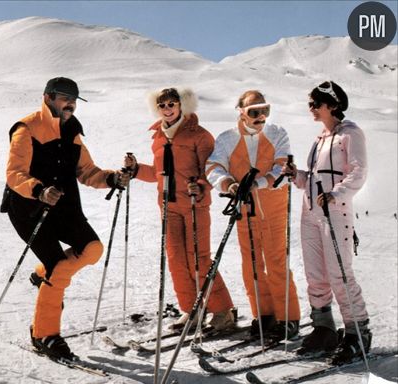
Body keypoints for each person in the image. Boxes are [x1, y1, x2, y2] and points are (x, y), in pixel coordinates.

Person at [3, 77, 130, 360]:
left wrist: (111, 178)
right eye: (64, 96)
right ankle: (44, 334)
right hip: (29, 208)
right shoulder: (27, 129)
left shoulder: (72, 131)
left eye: (74, 98)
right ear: (48, 97)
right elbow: (14, 174)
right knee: (59, 266)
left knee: (92, 249)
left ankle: (43, 276)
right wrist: (39, 190)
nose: (70, 102)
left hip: (63, 207)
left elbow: (86, 171)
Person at [124, 87, 235, 332]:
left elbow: (212, 169)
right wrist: (134, 170)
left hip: (195, 205)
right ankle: (192, 310)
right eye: (162, 105)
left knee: (199, 259)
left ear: (181, 105)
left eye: (171, 104)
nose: (167, 109)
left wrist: (202, 186)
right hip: (168, 206)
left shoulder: (200, 135)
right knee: (176, 259)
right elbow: (157, 174)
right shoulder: (159, 137)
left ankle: (223, 311)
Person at [284, 81, 371, 363]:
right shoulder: (320, 138)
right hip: (310, 211)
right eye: (309, 104)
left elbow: (358, 172)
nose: (311, 109)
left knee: (339, 274)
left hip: (335, 209)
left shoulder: (350, 134)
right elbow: (314, 177)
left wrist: (337, 194)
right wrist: (296, 175)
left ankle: (358, 333)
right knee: (315, 274)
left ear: (332, 105)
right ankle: (324, 328)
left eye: (315, 104)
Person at [206, 90, 301, 340]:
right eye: (254, 112)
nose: (261, 117)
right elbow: (214, 167)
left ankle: (288, 317)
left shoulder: (277, 134)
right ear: (241, 113)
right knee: (252, 264)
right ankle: (264, 314)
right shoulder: (227, 139)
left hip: (273, 208)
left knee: (276, 262)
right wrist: (229, 184)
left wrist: (257, 184)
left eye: (265, 110)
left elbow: (282, 167)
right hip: (245, 210)